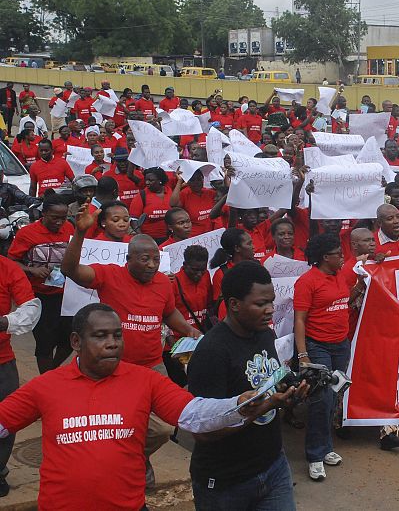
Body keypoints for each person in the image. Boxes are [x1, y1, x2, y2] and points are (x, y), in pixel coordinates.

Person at [0, 302, 299, 511]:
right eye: (100, 336)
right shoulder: (46, 386)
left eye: (117, 335)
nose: (113, 343)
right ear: (76, 341)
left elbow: (193, 414)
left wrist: (239, 405)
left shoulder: (144, 380)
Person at [62, 208, 202, 487]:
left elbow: (168, 312)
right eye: (145, 259)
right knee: (107, 424)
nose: (152, 265)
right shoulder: (109, 276)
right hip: (111, 369)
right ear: (128, 260)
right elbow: (70, 270)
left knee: (163, 427)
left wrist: (187, 329)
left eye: (156, 259)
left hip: (152, 367)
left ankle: (132, 457)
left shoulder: (163, 282)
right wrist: (79, 232)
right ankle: (119, 467)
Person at [188, 262, 309, 508]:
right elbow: (203, 432)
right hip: (226, 483)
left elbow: (271, 387)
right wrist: (264, 407)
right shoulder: (212, 352)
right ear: (234, 305)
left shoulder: (265, 334)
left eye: (271, 302)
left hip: (274, 468)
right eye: (260, 304)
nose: (270, 310)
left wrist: (291, 396)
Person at [294, 234, 356, 480]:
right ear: (324, 257)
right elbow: (300, 319)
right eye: (338, 254)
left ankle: (326, 446)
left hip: (341, 345)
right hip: (317, 346)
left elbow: (342, 301)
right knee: (320, 400)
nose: (342, 257)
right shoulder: (307, 282)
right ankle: (315, 456)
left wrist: (357, 290)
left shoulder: (339, 275)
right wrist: (303, 355)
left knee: (333, 397)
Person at [7, 191, 74, 373]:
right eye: (54, 218)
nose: (60, 222)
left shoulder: (69, 229)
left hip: (67, 296)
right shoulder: (27, 234)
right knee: (45, 343)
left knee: (70, 339)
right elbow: (11, 262)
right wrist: (32, 270)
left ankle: (52, 371)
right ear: (43, 214)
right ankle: (47, 378)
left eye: (63, 217)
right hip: (40, 296)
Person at [0, 254, 41, 498]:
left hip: (2, 361)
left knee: (6, 419)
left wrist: (4, 322)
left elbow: (31, 307)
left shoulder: (7, 268)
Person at [166, 245, 213, 386]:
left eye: (202, 270)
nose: (198, 274)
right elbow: (165, 315)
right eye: (194, 270)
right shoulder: (173, 282)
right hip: (177, 346)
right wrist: (173, 348)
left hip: (199, 342)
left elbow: (209, 305)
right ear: (184, 265)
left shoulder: (206, 277)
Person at [129, 167, 172, 243]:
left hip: (170, 238)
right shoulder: (142, 195)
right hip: (149, 240)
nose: (147, 183)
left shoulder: (170, 192)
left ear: (160, 181)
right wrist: (142, 238)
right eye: (146, 180)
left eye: (151, 180)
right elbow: (134, 220)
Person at [170, 168, 215, 236]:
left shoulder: (210, 193)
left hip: (212, 236)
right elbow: (173, 204)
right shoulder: (184, 194)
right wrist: (179, 181)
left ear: (203, 180)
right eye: (192, 180)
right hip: (194, 237)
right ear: (188, 182)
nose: (196, 182)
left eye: (199, 179)